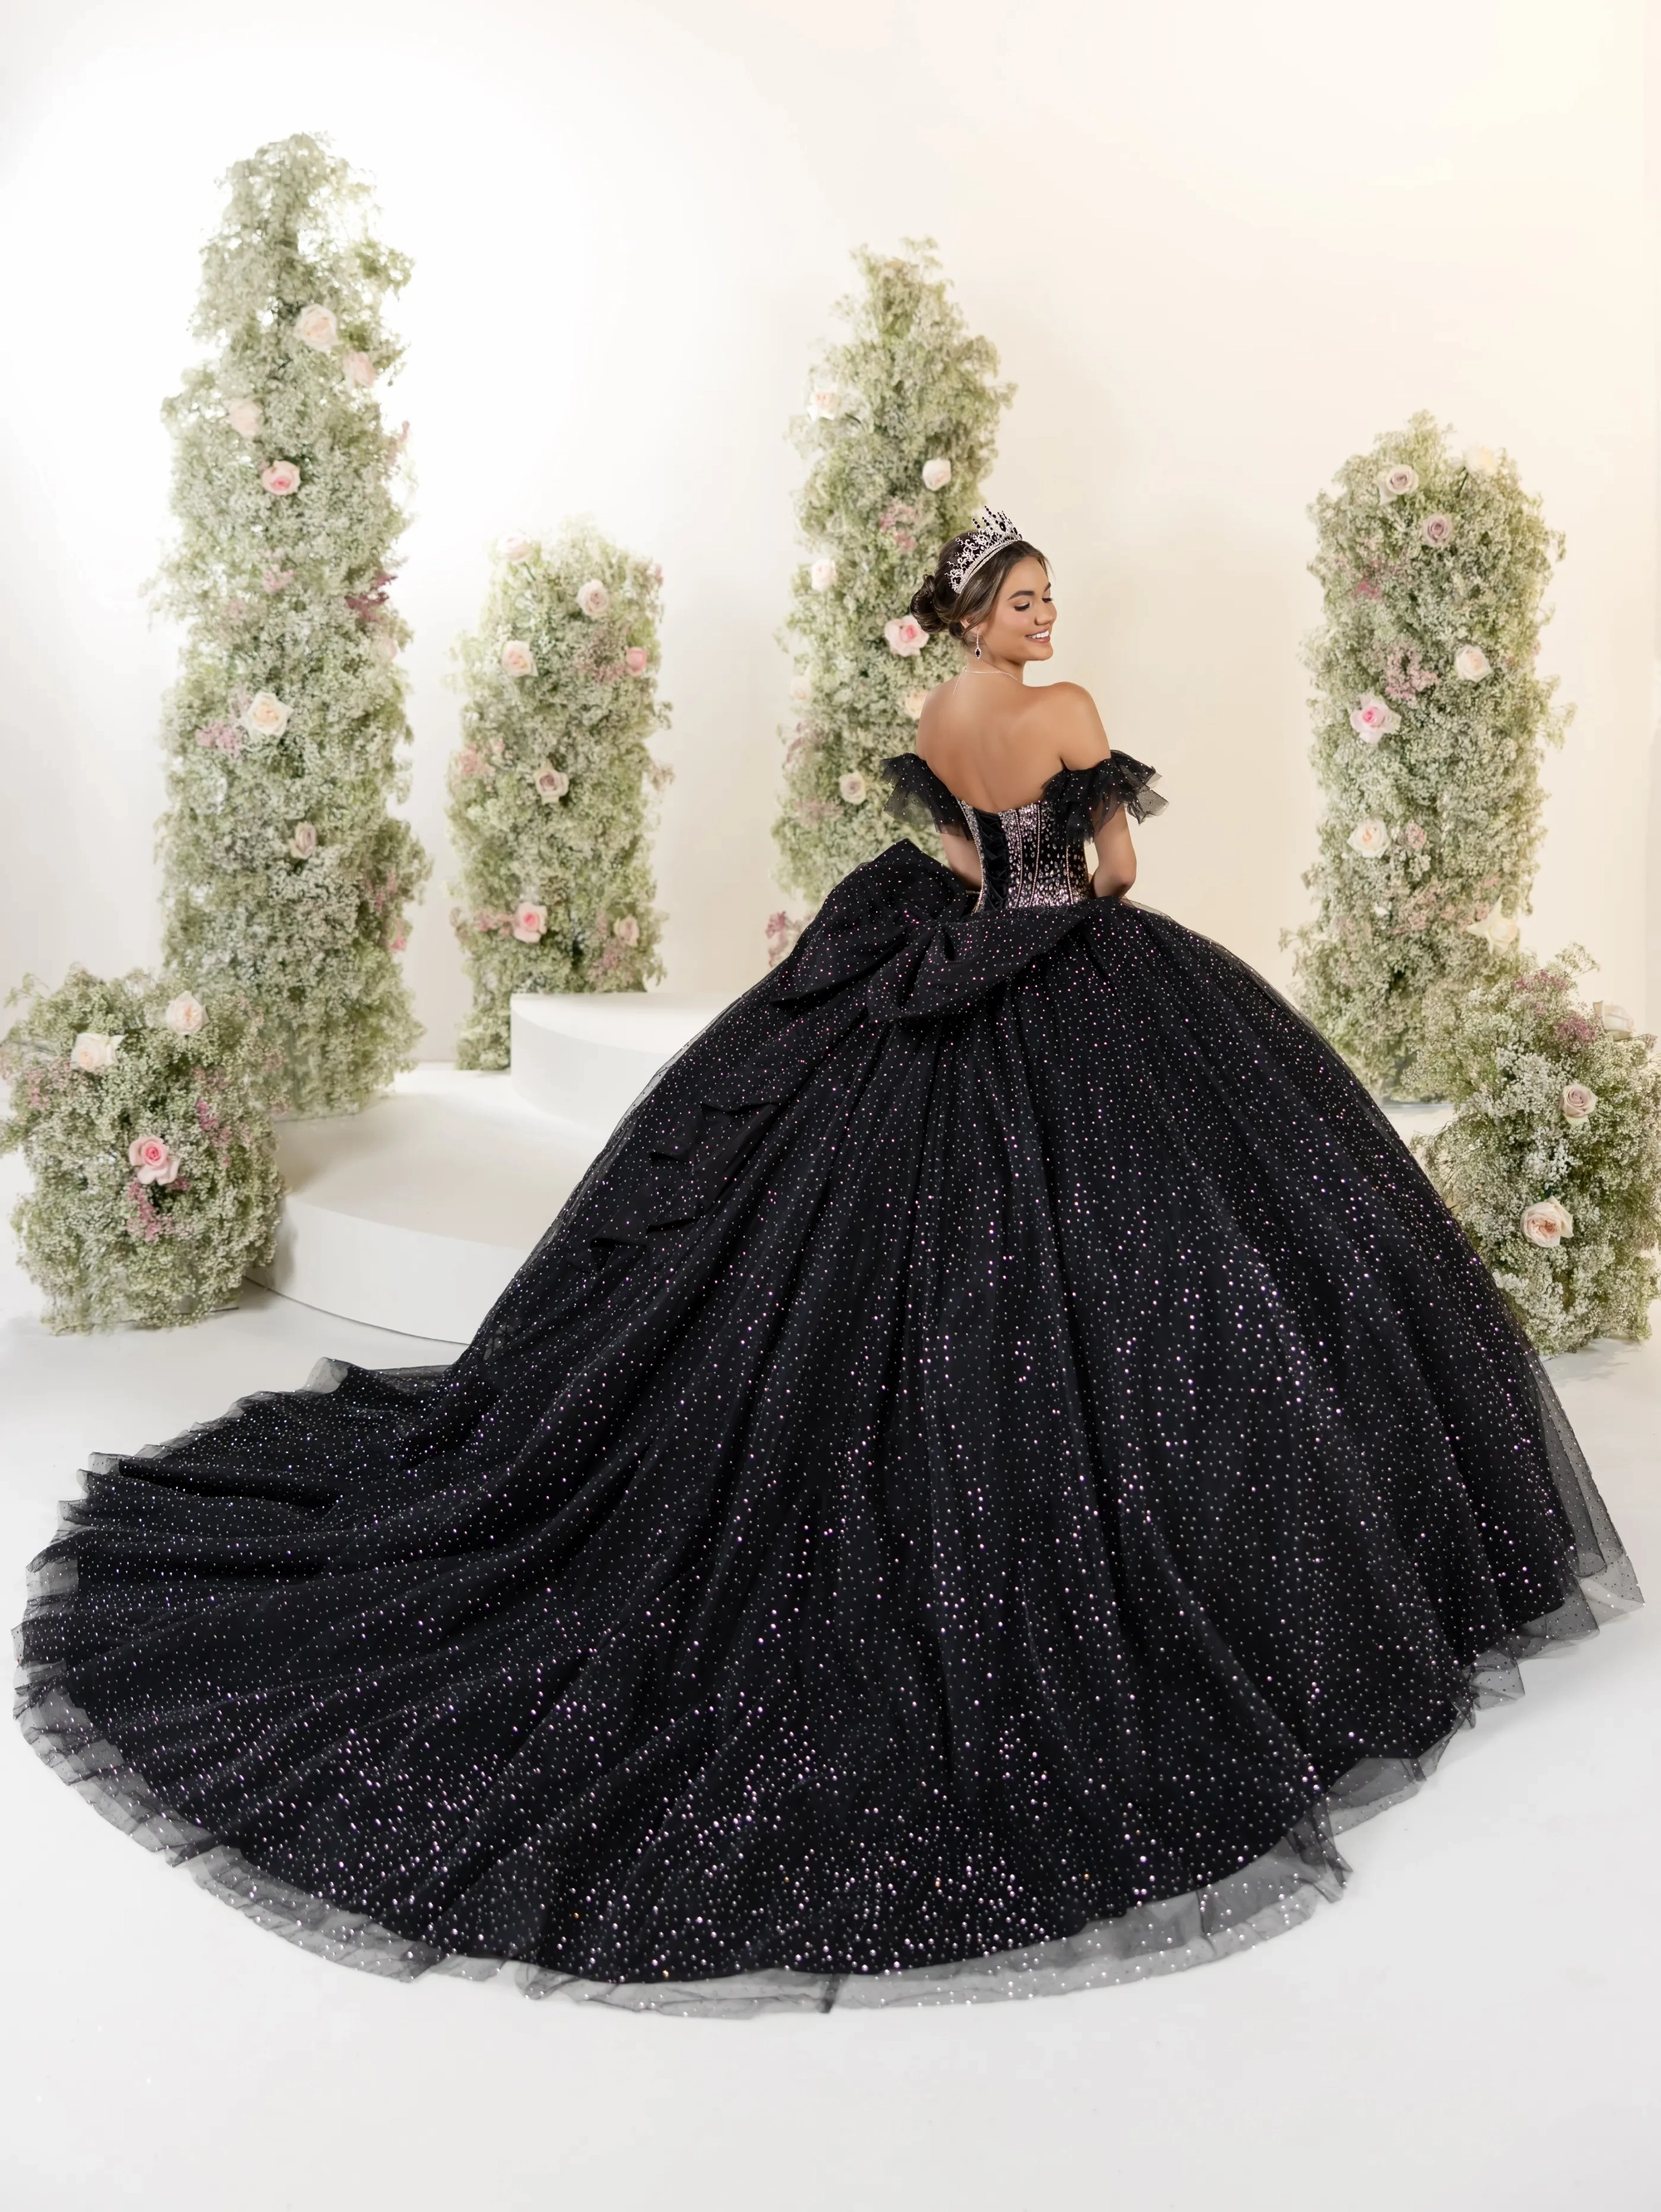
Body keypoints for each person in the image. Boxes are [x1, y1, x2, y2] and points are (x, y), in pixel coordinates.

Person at [17, 512, 1638, 2016]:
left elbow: (966, 871)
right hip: (1082, 982)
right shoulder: (1067, 711)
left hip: (954, 980)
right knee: (1184, 1251)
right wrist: (1059, 885)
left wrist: (990, 904)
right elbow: (1114, 875)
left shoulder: (941, 716)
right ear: (980, 613)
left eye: (1045, 598)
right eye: (1023, 599)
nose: (1045, 616)